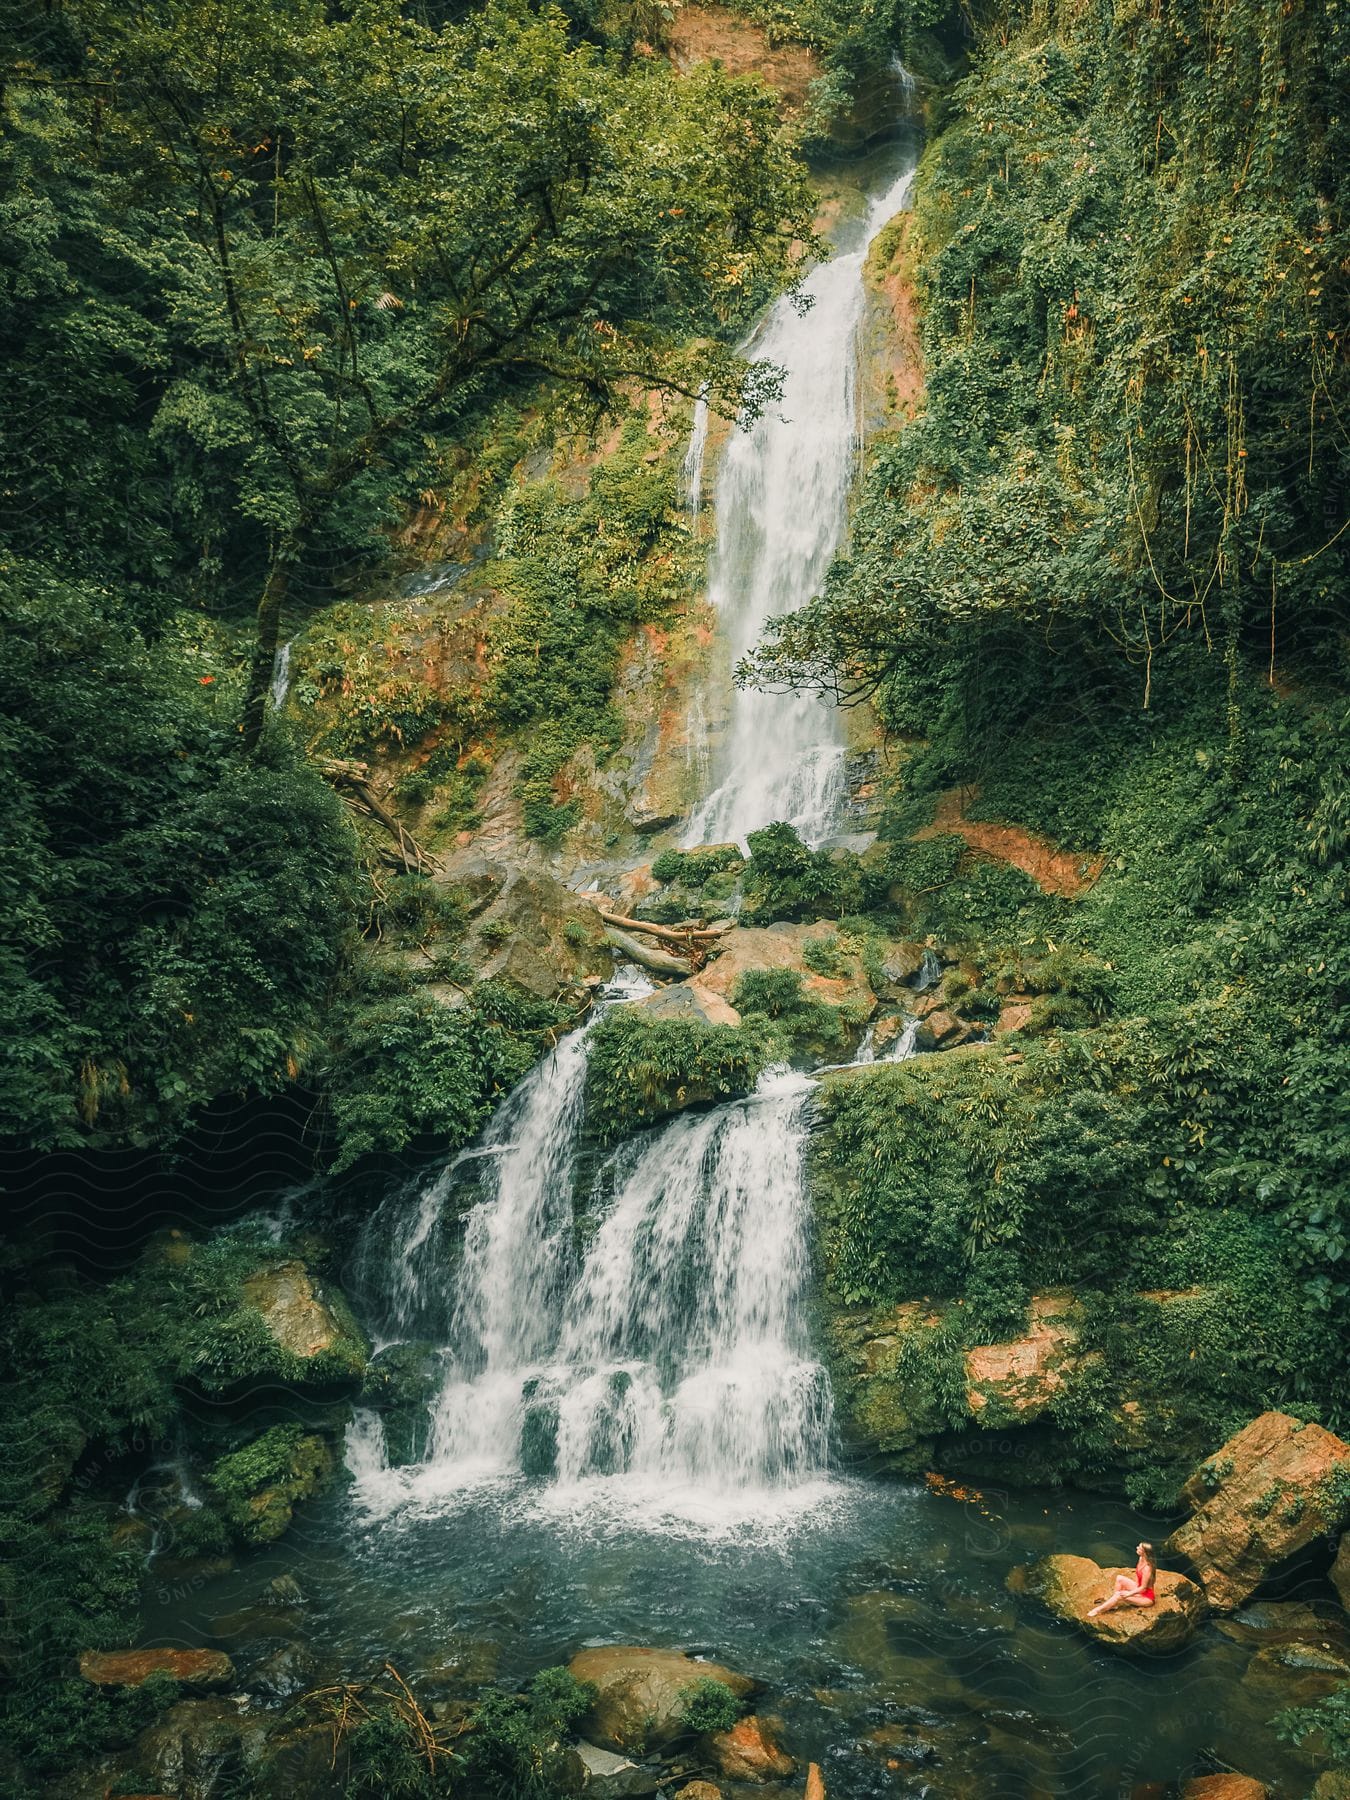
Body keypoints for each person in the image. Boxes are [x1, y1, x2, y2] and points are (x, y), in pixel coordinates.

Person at [1086, 1542, 1157, 1617]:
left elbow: (1143, 1588)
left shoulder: (1147, 1568)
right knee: (1119, 1578)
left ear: (1144, 1552)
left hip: (1146, 1598)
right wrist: (1133, 1589)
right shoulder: (1141, 1558)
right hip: (1139, 1589)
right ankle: (1114, 1604)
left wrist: (1129, 1594)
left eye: (1139, 1548)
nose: (1137, 1547)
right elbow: (1138, 1577)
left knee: (1119, 1595)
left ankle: (1098, 1610)